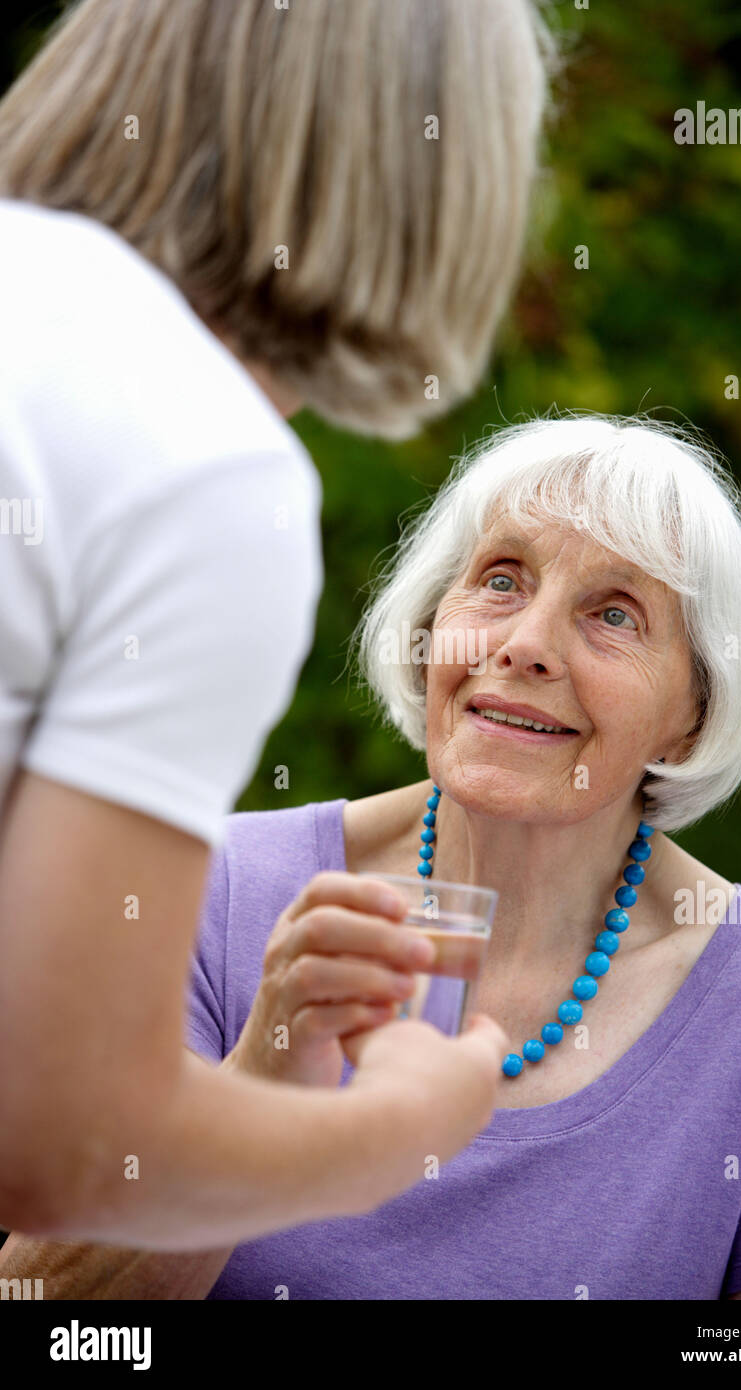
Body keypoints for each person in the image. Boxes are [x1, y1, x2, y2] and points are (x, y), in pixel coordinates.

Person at [5, 412, 741, 1299]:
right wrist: (268, 1069)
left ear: (692, 716)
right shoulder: (204, 890)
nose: (524, 645)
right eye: (501, 580)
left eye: (614, 614)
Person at [0, 0, 555, 1245]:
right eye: (499, 580)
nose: (526, 646)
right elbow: (58, 1137)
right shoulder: (197, 456)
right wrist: (395, 1129)